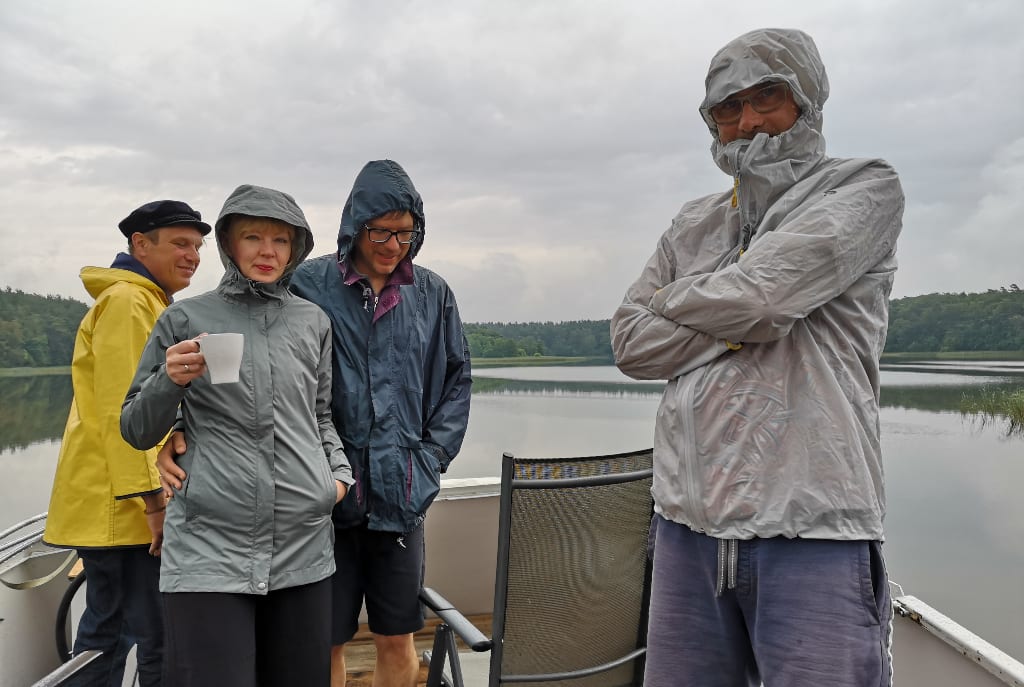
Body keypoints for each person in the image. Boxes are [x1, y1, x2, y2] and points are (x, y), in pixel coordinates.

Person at [610, 28, 904, 687]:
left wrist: (684, 302)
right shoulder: (694, 223)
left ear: (807, 98)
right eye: (727, 107)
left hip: (814, 530)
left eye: (766, 97)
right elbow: (630, 342)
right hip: (686, 529)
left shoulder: (863, 190)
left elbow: (764, 298)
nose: (746, 121)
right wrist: (740, 313)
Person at [158, 160, 472, 686]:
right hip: (318, 498)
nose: (393, 244)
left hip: (402, 495)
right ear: (354, 225)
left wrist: (431, 460)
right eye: (380, 230)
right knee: (325, 638)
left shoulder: (433, 293)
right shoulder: (308, 283)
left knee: (398, 634)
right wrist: (177, 428)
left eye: (405, 232)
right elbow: (229, 331)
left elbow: (457, 381)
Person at [120, 184, 354, 687]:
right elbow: (136, 428)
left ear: (296, 249)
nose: (267, 251)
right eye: (253, 237)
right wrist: (171, 379)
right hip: (209, 548)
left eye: (281, 240)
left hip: (303, 548)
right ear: (229, 243)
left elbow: (320, 417)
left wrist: (335, 479)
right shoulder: (184, 318)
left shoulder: (313, 321)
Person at [43, 199, 210, 686]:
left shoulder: (145, 300)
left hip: (118, 504)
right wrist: (154, 504)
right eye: (180, 243)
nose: (193, 256)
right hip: (123, 509)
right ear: (140, 244)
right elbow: (128, 409)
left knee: (114, 631)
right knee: (137, 637)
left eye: (197, 246)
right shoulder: (130, 302)